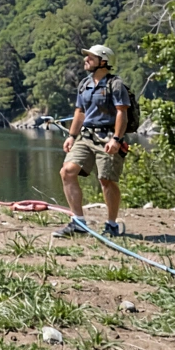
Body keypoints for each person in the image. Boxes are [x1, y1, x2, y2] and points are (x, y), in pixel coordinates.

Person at [54, 44, 130, 238]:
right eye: (86, 57)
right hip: (86, 136)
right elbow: (79, 112)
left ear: (103, 61)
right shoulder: (85, 84)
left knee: (106, 180)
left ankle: (112, 225)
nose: (85, 60)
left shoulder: (116, 84)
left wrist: (116, 139)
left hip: (107, 137)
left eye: (90, 57)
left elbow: (122, 112)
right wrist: (71, 136)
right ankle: (78, 222)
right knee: (67, 171)